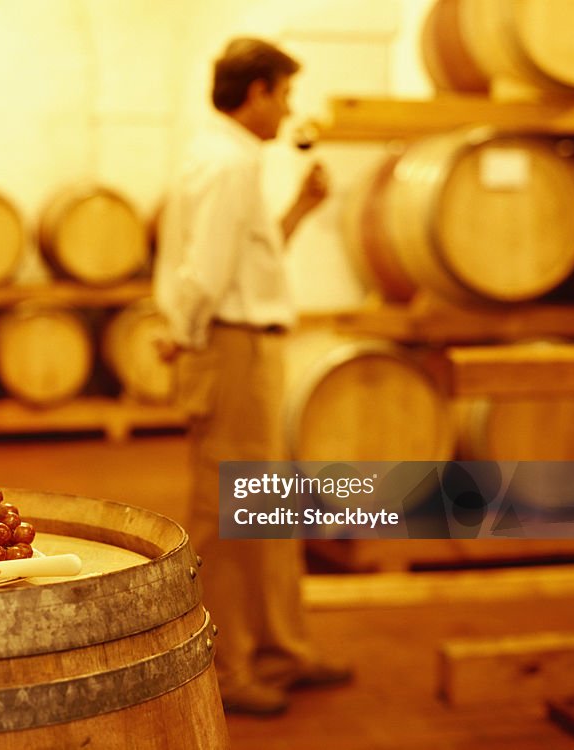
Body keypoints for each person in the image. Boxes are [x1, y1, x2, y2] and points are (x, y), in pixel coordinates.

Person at [153, 37, 351, 715]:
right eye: (285, 94)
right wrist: (183, 333)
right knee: (230, 511)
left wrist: (298, 212)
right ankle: (228, 663)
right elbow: (204, 272)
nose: (289, 109)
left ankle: (280, 648)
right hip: (231, 348)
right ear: (258, 91)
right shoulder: (226, 162)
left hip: (248, 345)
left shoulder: (231, 159)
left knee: (265, 506)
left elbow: (243, 266)